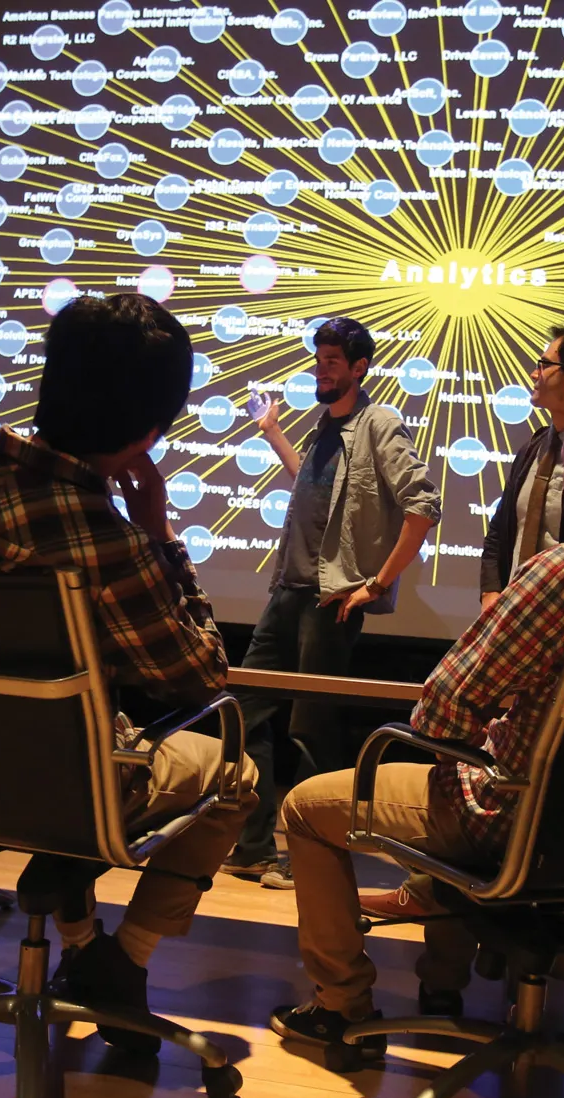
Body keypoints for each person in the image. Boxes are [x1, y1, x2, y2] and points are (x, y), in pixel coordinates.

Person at [267, 381, 564, 1047]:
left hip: (520, 819)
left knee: (312, 808)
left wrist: (487, 731)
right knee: (461, 778)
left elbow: (441, 706)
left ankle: (342, 1002)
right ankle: (441, 979)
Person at [0, 293, 259, 1049]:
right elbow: (201, 675)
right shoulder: (113, 545)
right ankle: (121, 959)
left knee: (82, 731)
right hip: (60, 783)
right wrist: (162, 537)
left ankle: (77, 940)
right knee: (230, 770)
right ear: (149, 433)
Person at [221, 316, 441, 891]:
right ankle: (252, 846)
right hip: (286, 590)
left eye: (332, 363)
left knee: (310, 729)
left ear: (359, 368)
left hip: (330, 598)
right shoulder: (324, 428)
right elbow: (311, 488)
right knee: (244, 714)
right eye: (318, 361)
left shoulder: (380, 424)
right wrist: (273, 433)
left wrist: (376, 584)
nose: (321, 371)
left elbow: (423, 505)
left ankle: (308, 855)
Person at [477, 325, 564, 617]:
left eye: (543, 365)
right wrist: (491, 593)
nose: (534, 374)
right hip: (512, 615)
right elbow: (500, 531)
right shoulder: (535, 445)